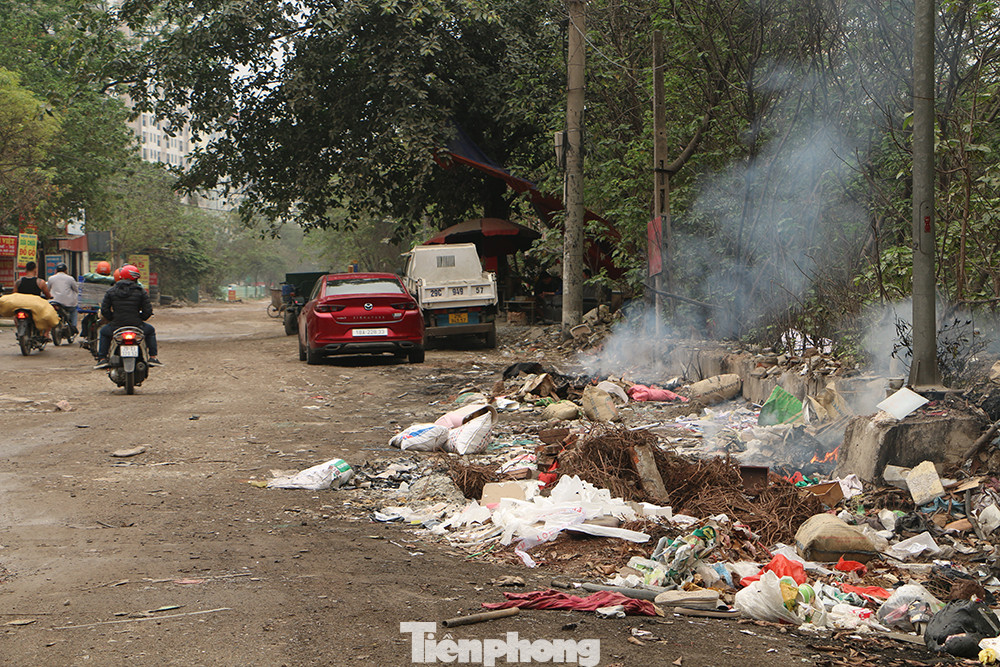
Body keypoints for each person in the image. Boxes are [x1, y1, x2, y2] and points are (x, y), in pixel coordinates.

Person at [94, 264, 162, 368]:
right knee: (151, 330)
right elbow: (147, 311)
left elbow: (104, 310)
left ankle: (102, 359)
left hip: (116, 326)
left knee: (103, 332)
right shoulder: (141, 291)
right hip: (137, 325)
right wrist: (140, 318)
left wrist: (112, 318)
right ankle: (153, 357)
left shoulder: (111, 291)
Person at [13, 261, 53, 340]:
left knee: (15, 317)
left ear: (26, 270)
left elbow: (14, 295)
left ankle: (19, 330)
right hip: (35, 307)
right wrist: (49, 297)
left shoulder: (18, 282)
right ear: (35, 270)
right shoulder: (40, 282)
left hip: (22, 306)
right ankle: (45, 334)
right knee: (50, 316)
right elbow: (47, 295)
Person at [48, 262, 79, 335]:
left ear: (56, 270)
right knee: (74, 311)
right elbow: (76, 289)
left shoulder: (51, 278)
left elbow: (47, 289)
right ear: (66, 270)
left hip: (54, 302)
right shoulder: (70, 278)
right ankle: (73, 327)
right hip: (68, 303)